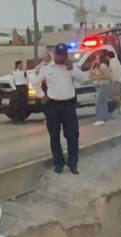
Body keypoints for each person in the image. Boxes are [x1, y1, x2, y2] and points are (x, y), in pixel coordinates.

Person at [30, 43, 87, 174]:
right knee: (54, 136)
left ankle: (73, 163)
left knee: (72, 136)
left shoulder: (72, 67)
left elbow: (84, 79)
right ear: (55, 54)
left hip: (69, 106)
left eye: (63, 55)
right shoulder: (47, 68)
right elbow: (34, 81)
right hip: (53, 106)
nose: (60, 57)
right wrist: (41, 95)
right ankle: (58, 163)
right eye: (58, 54)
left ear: (66, 55)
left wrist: (72, 69)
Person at [90, 51, 111, 125]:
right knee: (103, 102)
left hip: (104, 85)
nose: (96, 60)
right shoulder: (96, 67)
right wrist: (92, 66)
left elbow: (108, 75)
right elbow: (90, 75)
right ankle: (105, 119)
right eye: (96, 58)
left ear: (101, 59)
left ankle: (100, 119)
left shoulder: (103, 66)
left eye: (98, 58)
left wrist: (97, 77)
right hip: (98, 86)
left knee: (98, 102)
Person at [107, 49, 121, 116]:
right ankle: (119, 112)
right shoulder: (116, 61)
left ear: (107, 56)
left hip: (118, 81)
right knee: (118, 96)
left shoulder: (113, 61)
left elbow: (114, 72)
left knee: (110, 94)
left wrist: (113, 81)